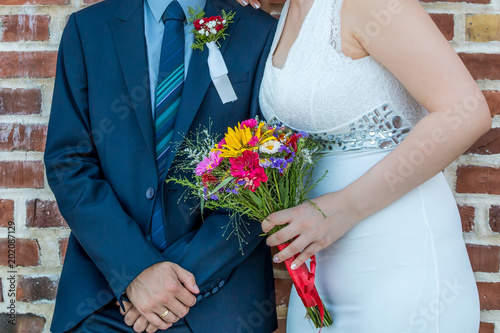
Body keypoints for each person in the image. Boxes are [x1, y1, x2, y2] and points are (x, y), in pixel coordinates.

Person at [237, 0, 491, 331]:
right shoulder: (287, 10)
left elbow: (467, 112)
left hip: (399, 261)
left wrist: (345, 208)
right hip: (320, 274)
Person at [44, 0, 278, 332]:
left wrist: (169, 285)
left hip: (221, 301)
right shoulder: (87, 30)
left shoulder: (259, 31)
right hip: (105, 299)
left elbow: (267, 171)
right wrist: (135, 269)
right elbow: (68, 162)